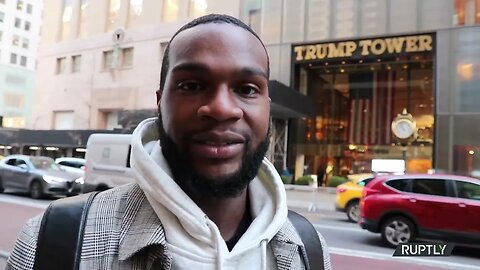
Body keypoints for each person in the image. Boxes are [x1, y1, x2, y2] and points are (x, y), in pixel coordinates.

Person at [7, 14, 331, 270]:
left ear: (267, 108)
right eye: (191, 85)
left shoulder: (310, 249)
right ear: (160, 103)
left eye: (247, 89)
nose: (220, 109)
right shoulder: (52, 240)